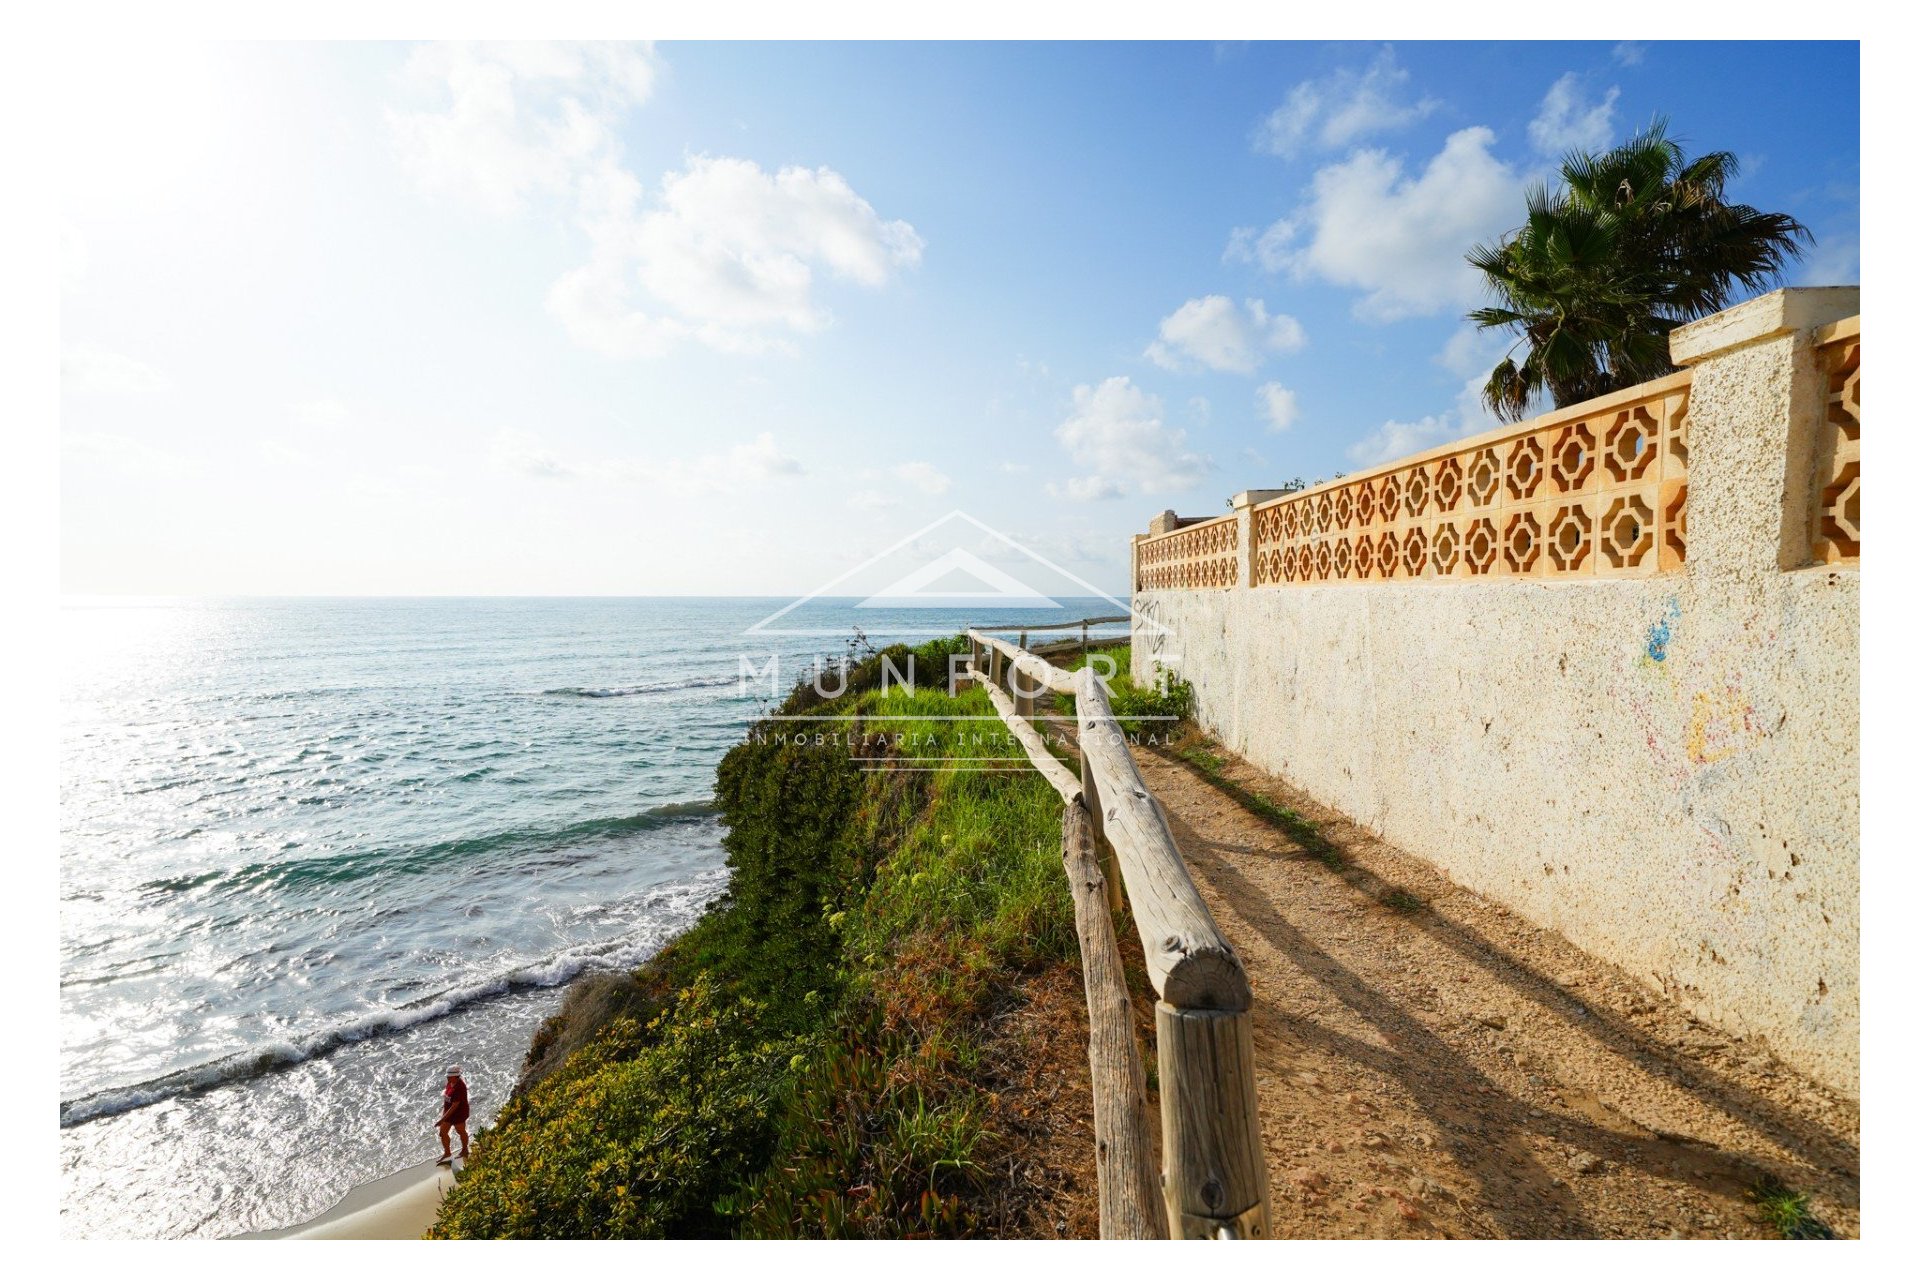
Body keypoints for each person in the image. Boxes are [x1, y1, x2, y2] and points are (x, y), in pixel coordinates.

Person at [436, 1066, 470, 1165]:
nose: (447, 1078)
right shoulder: (450, 1083)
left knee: (461, 1131)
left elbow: (455, 1106)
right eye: (447, 1076)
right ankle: (447, 1153)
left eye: (449, 1076)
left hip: (459, 1113)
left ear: (456, 1076)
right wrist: (443, 1114)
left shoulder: (460, 1087)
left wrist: (442, 1119)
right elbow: (447, 1100)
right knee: (442, 1133)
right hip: (448, 1113)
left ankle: (465, 1150)